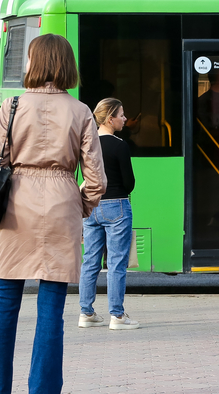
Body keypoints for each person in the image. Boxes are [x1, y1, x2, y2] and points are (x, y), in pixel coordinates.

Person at [0, 34, 107, 394]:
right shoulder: (81, 111)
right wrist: (82, 208)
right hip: (62, 201)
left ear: (36, 63)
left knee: (6, 301)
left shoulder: (11, 106)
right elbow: (96, 180)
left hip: (17, 205)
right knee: (52, 309)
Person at [79, 98, 139, 330]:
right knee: (116, 263)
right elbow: (129, 182)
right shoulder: (120, 145)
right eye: (122, 115)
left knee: (90, 261)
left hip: (90, 206)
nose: (125, 119)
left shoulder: (86, 144)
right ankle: (117, 316)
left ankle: (86, 313)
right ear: (109, 118)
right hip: (117, 206)